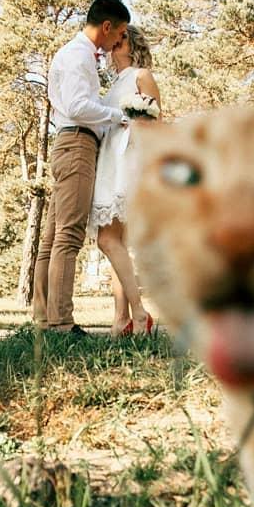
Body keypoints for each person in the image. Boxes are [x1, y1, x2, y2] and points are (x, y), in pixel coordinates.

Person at [32, 0, 130, 335]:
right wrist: (119, 116)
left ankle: (44, 318)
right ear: (107, 26)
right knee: (68, 235)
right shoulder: (77, 56)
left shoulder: (80, 55)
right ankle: (61, 323)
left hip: (69, 142)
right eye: (120, 33)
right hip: (76, 144)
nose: (120, 41)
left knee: (52, 237)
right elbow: (76, 106)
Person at [89, 24, 161, 337]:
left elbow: (155, 124)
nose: (115, 44)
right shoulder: (112, 84)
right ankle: (121, 320)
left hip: (128, 161)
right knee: (116, 242)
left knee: (107, 240)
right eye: (114, 39)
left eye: (122, 39)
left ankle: (140, 313)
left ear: (131, 44)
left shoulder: (141, 76)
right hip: (108, 160)